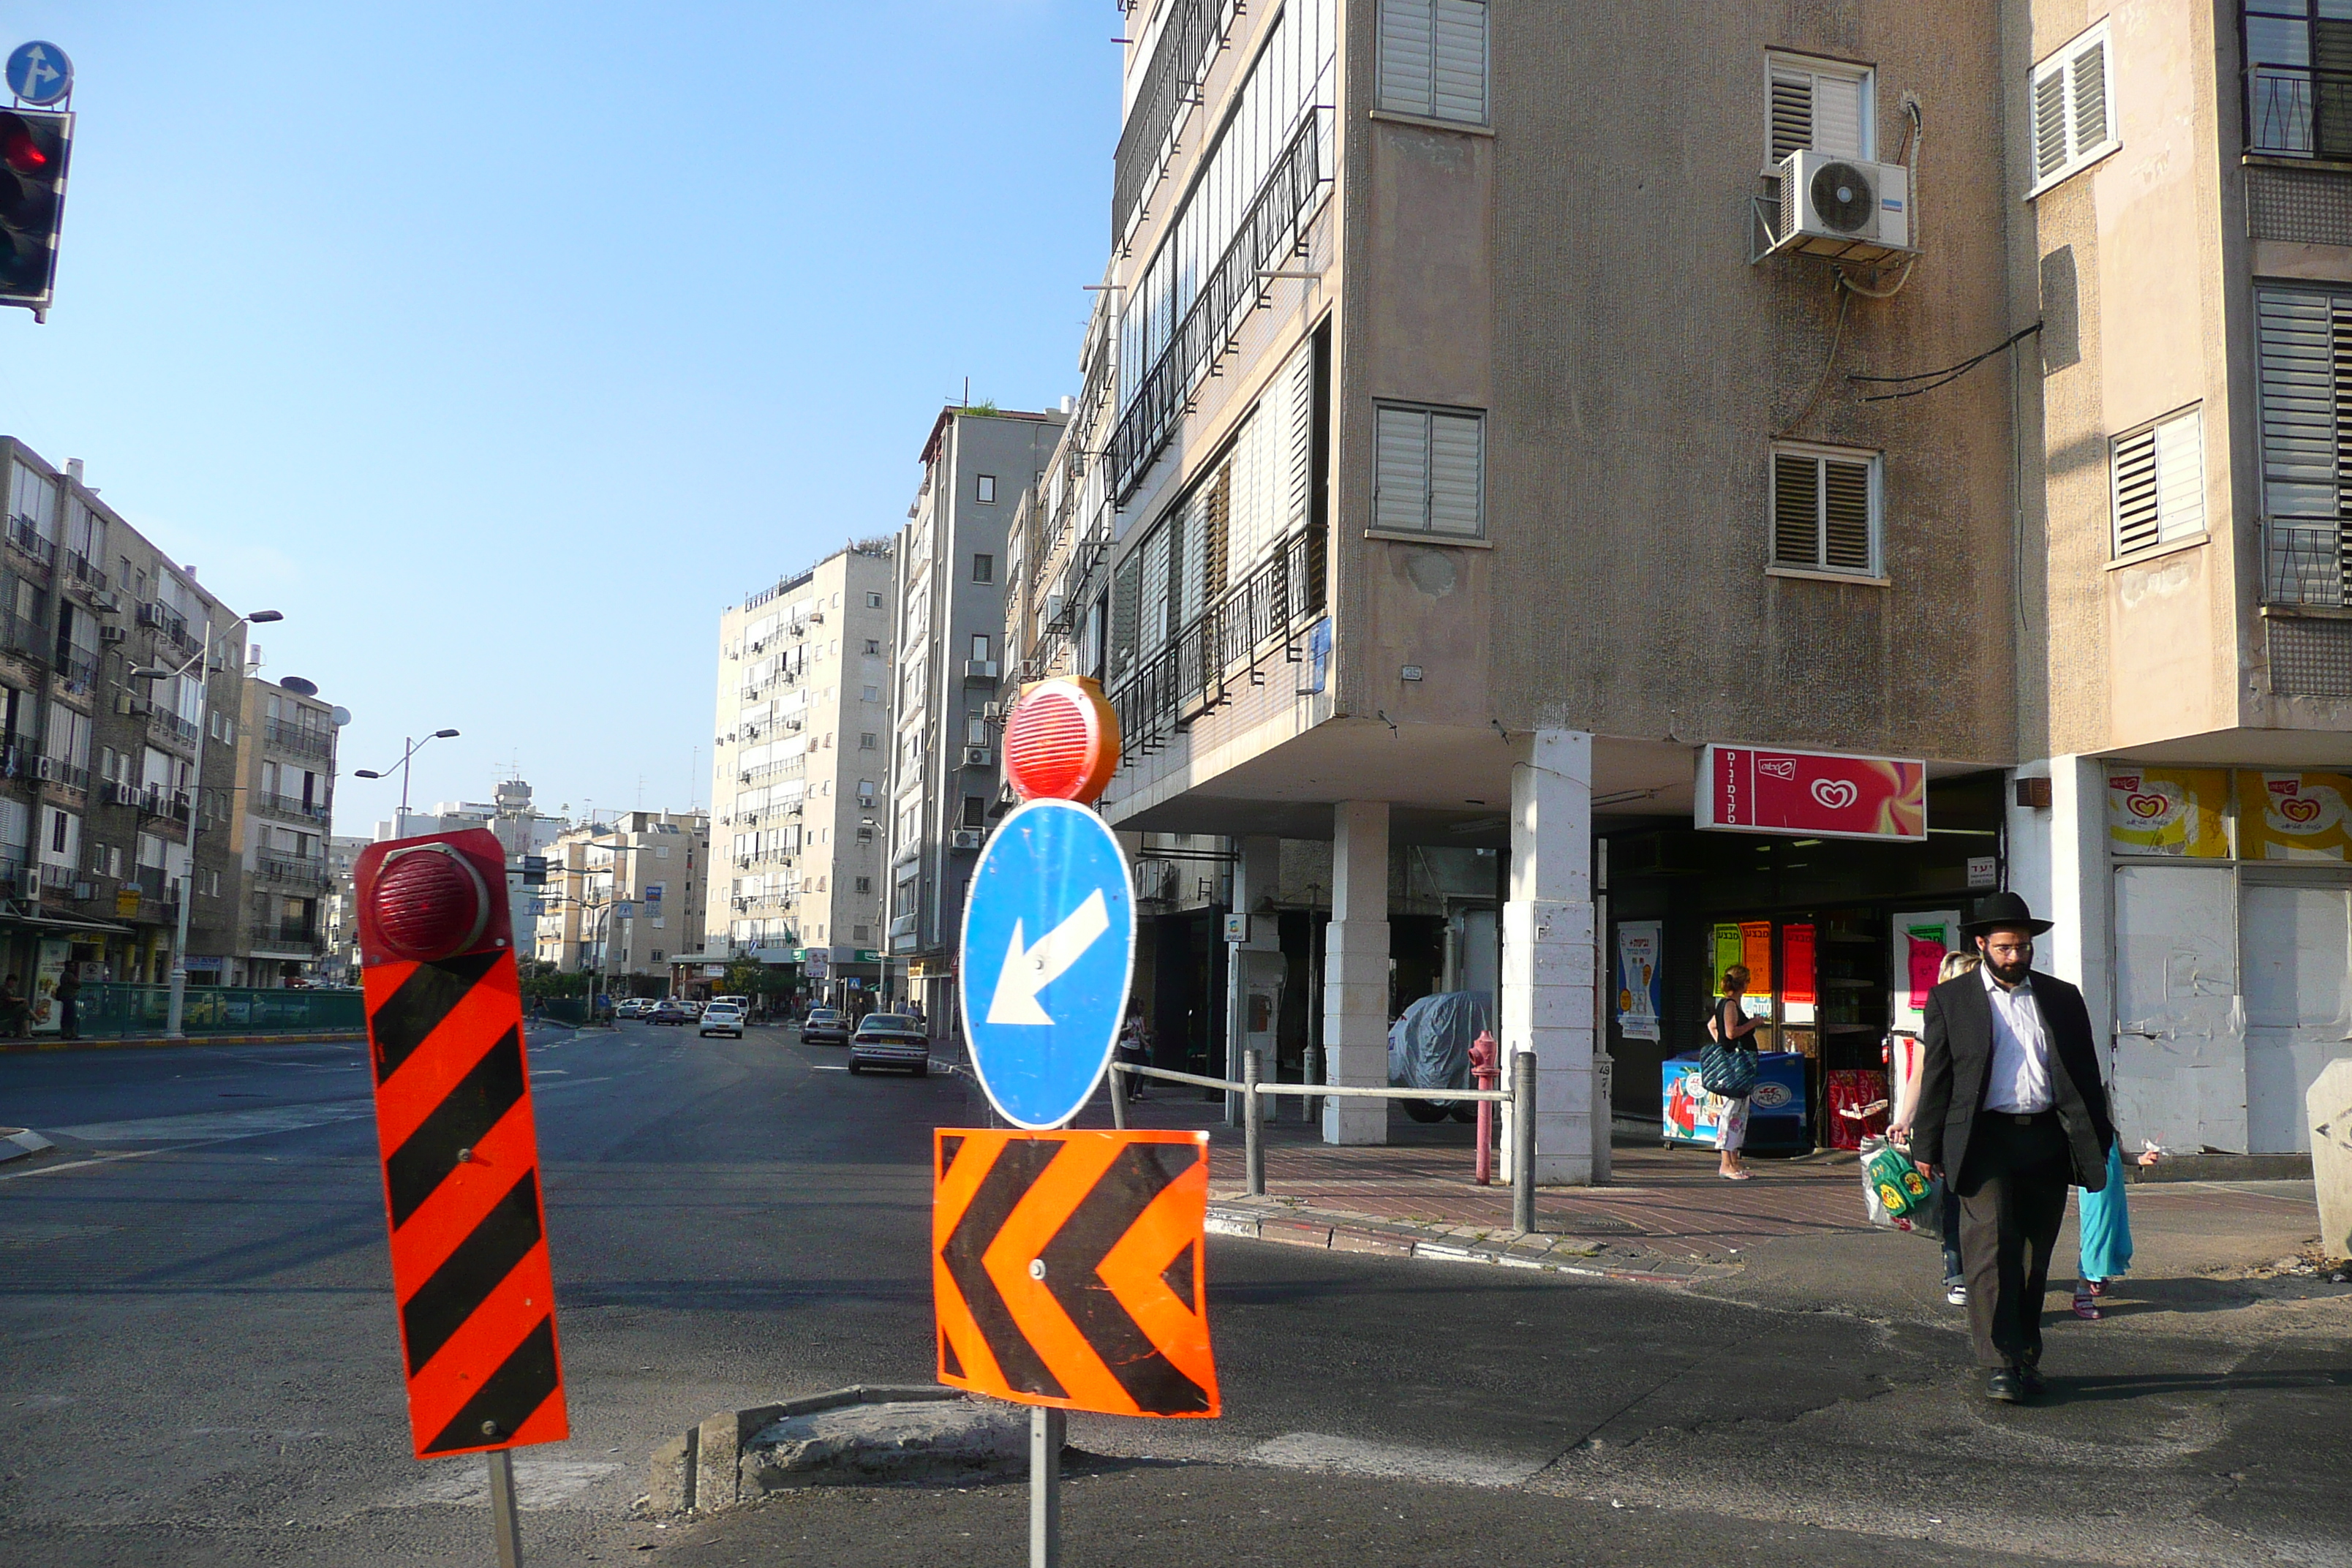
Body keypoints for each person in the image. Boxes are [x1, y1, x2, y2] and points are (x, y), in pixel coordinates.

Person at [1912, 892, 2116, 1404]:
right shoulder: (1951, 1000)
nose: (2016, 956)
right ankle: (2000, 1362)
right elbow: (1937, 1076)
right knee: (1989, 1251)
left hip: (2045, 1136)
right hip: (1984, 1140)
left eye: (2024, 947)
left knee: (2032, 1255)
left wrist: (2102, 1135)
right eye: (2005, 947)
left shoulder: (2062, 997)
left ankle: (2027, 1358)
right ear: (1981, 944)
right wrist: (1925, 1143)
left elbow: (2087, 1075)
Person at [1888, 949, 1983, 1307]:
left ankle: (1982, 1270)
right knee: (1953, 1201)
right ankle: (1957, 1273)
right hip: (1945, 1124)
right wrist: (1905, 1119)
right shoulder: (1933, 1021)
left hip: (1982, 1123)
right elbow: (1919, 1078)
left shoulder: (1988, 1017)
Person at [1708, 963, 1761, 1180]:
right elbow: (1730, 1033)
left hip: (1740, 1065)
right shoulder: (1730, 1005)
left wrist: (1721, 1046)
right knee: (1732, 1112)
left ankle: (1734, 1161)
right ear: (1743, 984)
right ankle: (1725, 1163)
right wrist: (1754, 1023)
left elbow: (1712, 1026)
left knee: (1740, 1112)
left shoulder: (1727, 1004)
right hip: (1736, 1067)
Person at [54, 968, 81, 1041]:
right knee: (71, 1015)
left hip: (66, 996)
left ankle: (66, 1033)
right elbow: (78, 983)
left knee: (66, 1015)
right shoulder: (69, 975)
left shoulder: (64, 975)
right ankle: (71, 1033)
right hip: (69, 996)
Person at [0, 973, 24, 1039]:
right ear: (8, 981)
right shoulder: (3, 989)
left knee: (24, 1013)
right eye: (12, 981)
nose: (13, 983)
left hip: (10, 1008)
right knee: (24, 1008)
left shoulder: (13, 990)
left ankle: (23, 1032)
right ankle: (36, 1019)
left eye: (15, 982)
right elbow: (9, 999)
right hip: (3, 1009)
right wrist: (20, 999)